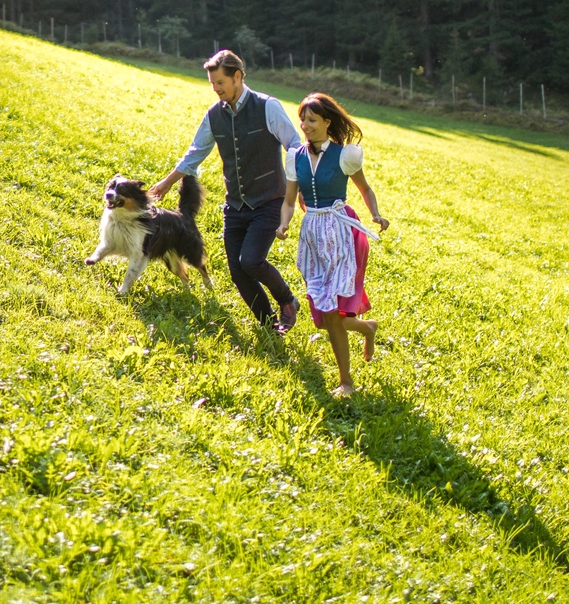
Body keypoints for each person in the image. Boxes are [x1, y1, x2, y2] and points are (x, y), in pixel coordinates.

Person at [151, 50, 304, 332]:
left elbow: (294, 145)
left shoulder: (267, 107)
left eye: (220, 82)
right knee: (237, 270)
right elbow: (196, 152)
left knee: (251, 261)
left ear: (238, 76)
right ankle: (269, 326)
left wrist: (300, 184)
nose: (216, 89)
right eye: (212, 84)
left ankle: (287, 300)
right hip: (234, 204)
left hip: (269, 200)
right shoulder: (214, 115)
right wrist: (168, 182)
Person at [275, 92, 390, 397]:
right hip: (312, 236)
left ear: (327, 122)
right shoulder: (295, 156)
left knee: (329, 311)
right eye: (303, 119)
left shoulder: (345, 155)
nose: (305, 125)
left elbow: (365, 188)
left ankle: (346, 382)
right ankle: (367, 327)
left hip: (340, 234)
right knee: (324, 318)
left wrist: (376, 214)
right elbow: (289, 201)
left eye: (312, 120)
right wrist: (284, 223)